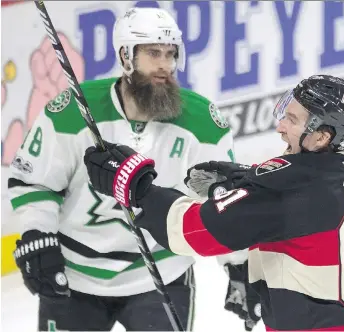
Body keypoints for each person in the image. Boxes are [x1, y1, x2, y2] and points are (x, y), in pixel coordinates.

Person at [8, 7, 256, 331]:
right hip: (75, 276)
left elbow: (221, 202)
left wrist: (240, 269)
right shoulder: (72, 112)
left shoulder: (204, 124)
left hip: (163, 274)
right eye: (154, 53)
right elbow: (35, 182)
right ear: (126, 56)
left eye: (171, 54)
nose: (166, 65)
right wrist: (37, 232)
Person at [83, 74, 344, 331]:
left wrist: (137, 186)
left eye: (293, 120)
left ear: (322, 137)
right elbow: (308, 216)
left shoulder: (285, 194)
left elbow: (194, 232)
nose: (280, 126)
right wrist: (247, 179)